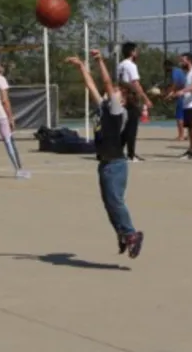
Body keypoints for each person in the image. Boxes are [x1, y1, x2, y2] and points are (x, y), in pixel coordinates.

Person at [65, 49, 144, 258]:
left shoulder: (119, 111)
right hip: (105, 164)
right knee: (109, 204)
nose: (113, 92)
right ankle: (123, 233)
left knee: (115, 201)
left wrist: (99, 61)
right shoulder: (104, 108)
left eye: (118, 91)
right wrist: (82, 66)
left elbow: (107, 83)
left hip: (115, 165)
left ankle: (131, 233)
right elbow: (91, 85)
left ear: (124, 99)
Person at [117, 42, 151, 162]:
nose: (137, 53)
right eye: (136, 51)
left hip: (122, 97)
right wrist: (145, 99)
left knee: (125, 127)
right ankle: (131, 154)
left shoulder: (120, 65)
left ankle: (118, 151)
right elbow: (135, 83)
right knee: (131, 127)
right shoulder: (131, 65)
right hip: (131, 98)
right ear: (132, 52)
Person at [168, 53, 192, 160]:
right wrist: (174, 93)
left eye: (183, 60)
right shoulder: (187, 74)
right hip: (187, 105)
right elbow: (185, 88)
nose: (181, 62)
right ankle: (191, 149)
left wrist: (183, 91)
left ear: (189, 61)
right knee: (190, 129)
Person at [165, 59, 188, 141]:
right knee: (187, 116)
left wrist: (170, 94)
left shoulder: (174, 72)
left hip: (182, 96)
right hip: (186, 95)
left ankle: (181, 136)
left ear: (167, 66)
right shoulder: (179, 71)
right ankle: (186, 135)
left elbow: (174, 84)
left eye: (165, 67)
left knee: (179, 117)